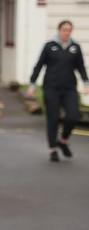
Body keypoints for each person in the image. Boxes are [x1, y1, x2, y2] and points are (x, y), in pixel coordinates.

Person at [27, 20, 88, 162]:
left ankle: (63, 140)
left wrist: (86, 83)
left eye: (69, 30)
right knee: (53, 118)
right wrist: (32, 84)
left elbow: (81, 67)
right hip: (51, 88)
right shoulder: (50, 46)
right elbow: (39, 65)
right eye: (64, 30)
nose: (67, 33)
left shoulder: (75, 47)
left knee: (73, 116)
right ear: (59, 30)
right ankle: (53, 149)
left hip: (69, 88)